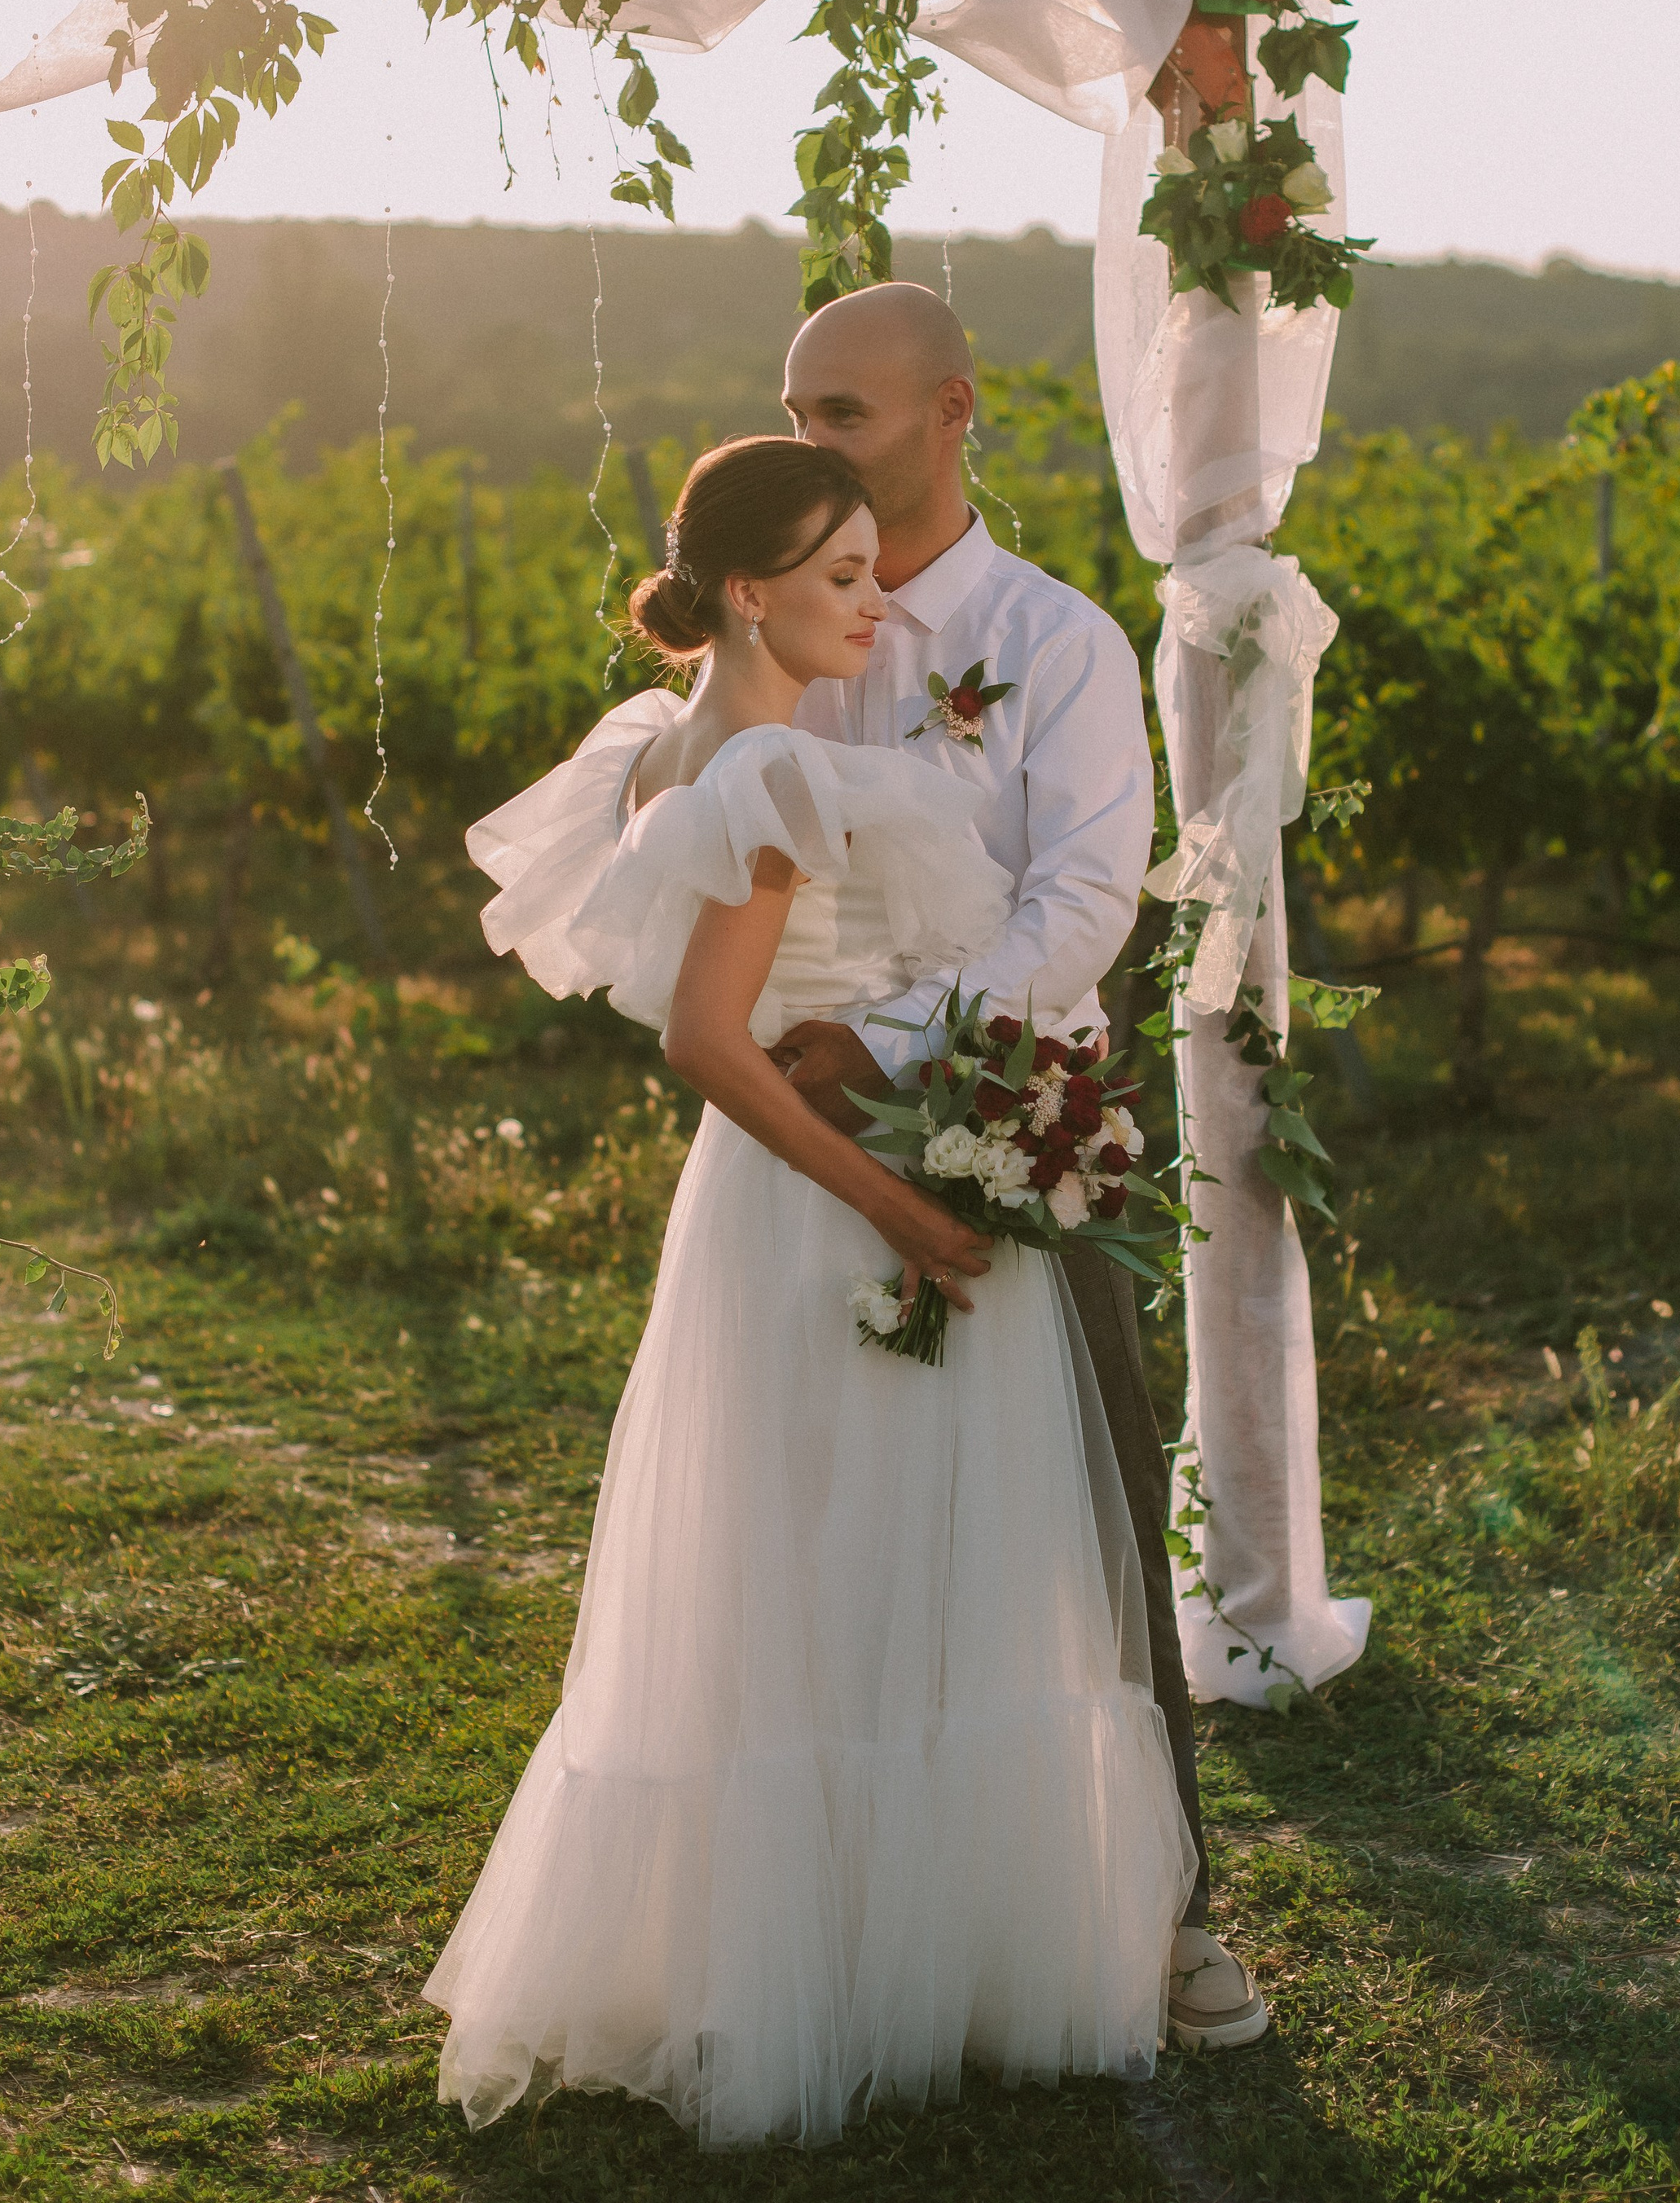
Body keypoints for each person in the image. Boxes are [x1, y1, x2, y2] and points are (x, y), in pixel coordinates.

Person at [426, 435, 1195, 2148]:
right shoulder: (767, 765)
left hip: (777, 1195)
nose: (873, 603)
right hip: (828, 1189)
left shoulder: (670, 743)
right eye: (841, 578)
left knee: (801, 1574)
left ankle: (833, 1938)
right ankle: (864, 1962)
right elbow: (710, 1040)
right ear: (749, 592)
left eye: (872, 570)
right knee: (882, 1561)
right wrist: (905, 1210)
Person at [776, 282, 1268, 2051]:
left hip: (1015, 1109)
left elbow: (1083, 902)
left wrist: (903, 1045)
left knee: (1087, 1510)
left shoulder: (1052, 638)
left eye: (842, 412)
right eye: (795, 413)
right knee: (815, 1511)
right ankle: (848, 1905)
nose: (811, 443)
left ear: (951, 409)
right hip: (795, 1129)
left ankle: (1170, 1907)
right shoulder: (780, 626)